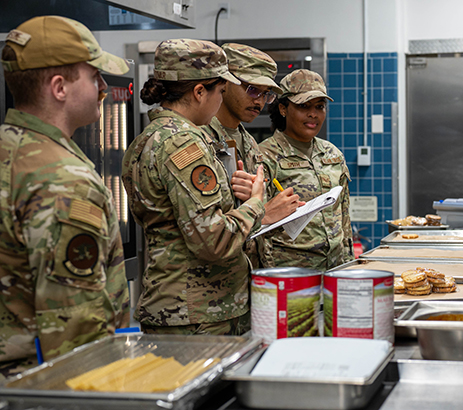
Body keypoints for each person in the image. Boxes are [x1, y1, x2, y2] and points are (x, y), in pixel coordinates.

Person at [0, 16, 130, 379]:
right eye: (94, 77)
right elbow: (74, 323)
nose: (103, 87)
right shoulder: (64, 178)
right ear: (59, 87)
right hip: (40, 387)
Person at [122, 39, 265, 335]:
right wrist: (255, 203)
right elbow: (213, 241)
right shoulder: (184, 143)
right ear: (200, 92)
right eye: (221, 92)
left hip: (175, 304)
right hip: (198, 312)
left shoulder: (146, 139)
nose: (221, 101)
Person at [202, 43, 301, 269]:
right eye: (252, 89)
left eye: (265, 94)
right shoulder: (201, 138)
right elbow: (205, 227)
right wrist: (263, 211)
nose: (259, 101)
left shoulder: (249, 143)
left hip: (247, 274)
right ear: (225, 83)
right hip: (209, 283)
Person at [259, 69, 353, 271]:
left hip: (335, 269)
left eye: (320, 107)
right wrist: (268, 275)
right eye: (304, 106)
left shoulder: (332, 154)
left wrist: (348, 264)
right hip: (290, 273)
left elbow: (344, 217)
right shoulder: (264, 156)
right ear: (283, 109)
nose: (313, 114)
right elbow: (258, 227)